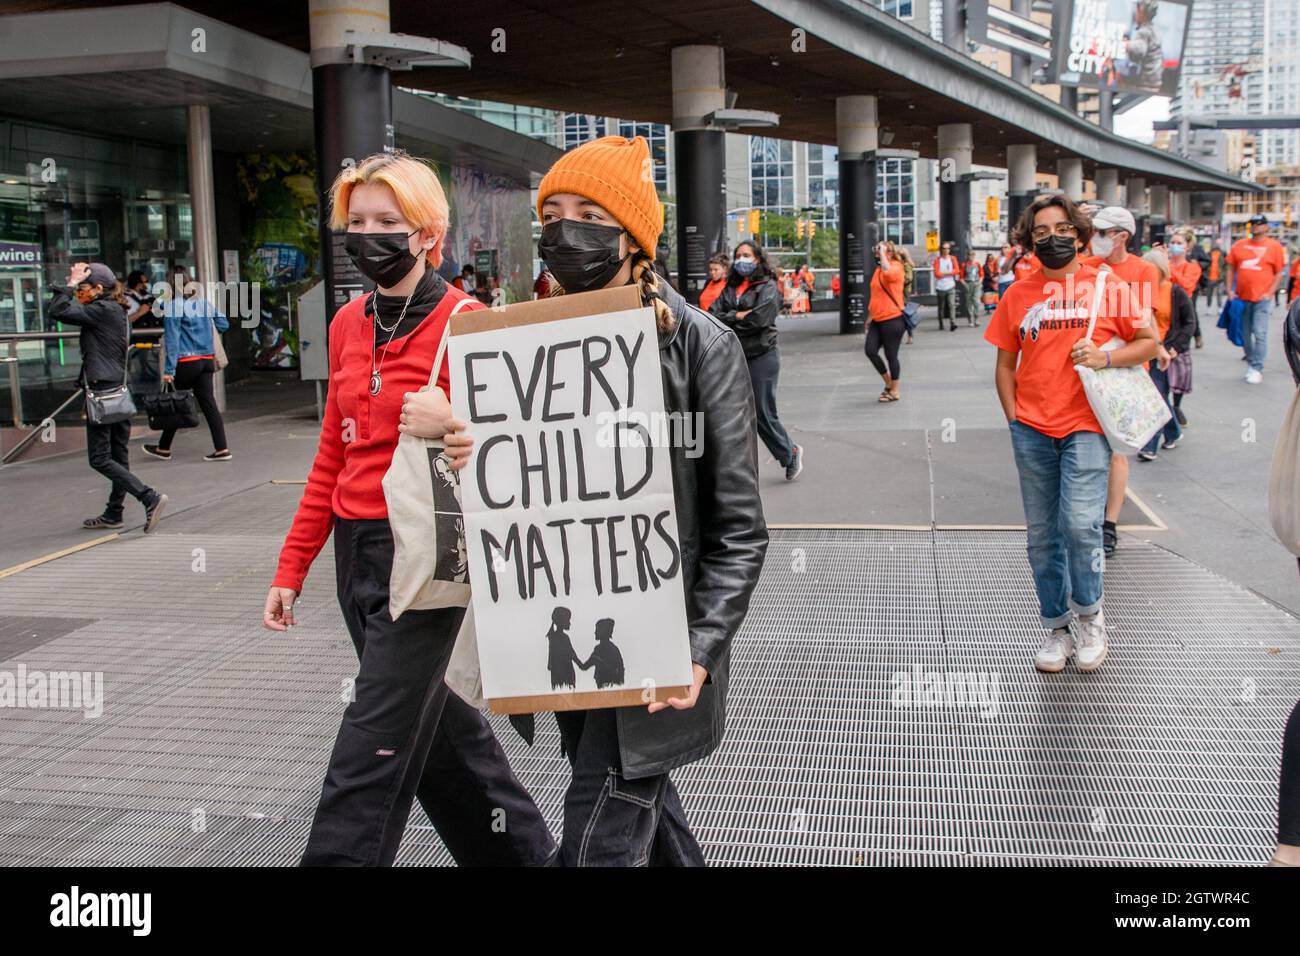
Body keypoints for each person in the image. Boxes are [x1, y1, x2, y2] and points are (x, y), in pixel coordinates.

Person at [403, 134, 768, 866]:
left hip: (657, 646)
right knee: (640, 812)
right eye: (554, 212)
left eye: (589, 212)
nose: (565, 230)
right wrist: (459, 444)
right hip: (564, 639)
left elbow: (739, 529)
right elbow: (515, 485)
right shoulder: (528, 342)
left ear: (632, 234)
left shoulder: (702, 346)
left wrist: (697, 652)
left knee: (599, 834)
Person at [261, 150, 555, 868]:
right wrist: (291, 565)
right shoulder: (346, 325)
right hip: (355, 559)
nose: (368, 234)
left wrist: (454, 421)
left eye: (387, 221)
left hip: (425, 558)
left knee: (369, 751)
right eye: (356, 221)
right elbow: (332, 454)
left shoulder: (470, 321)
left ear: (429, 233)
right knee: (447, 744)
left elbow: (511, 453)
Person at [985, 194, 1157, 674]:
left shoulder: (1108, 284)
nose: (1053, 238)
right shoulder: (1018, 293)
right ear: (1028, 240)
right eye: (1041, 232)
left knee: (1081, 527)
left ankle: (1091, 616)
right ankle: (1057, 628)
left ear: (1080, 238)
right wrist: (1014, 417)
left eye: (1063, 230)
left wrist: (1105, 356)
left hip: (1085, 426)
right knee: (1042, 536)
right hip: (1032, 429)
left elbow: (1149, 342)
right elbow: (1004, 362)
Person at [49, 262, 168, 533]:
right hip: (118, 389)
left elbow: (58, 309)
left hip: (103, 392)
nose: (79, 292)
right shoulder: (117, 310)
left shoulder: (102, 309)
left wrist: (68, 284)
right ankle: (114, 512)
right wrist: (75, 281)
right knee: (118, 454)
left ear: (99, 289)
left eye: (82, 288)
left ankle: (149, 496)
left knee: (100, 458)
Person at [1083, 205, 1159, 556]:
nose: (1094, 238)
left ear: (1122, 236)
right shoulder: (1086, 267)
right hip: (1086, 372)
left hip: (1120, 372)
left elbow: (1145, 327)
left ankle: (1108, 524)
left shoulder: (1142, 271)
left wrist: (1113, 354)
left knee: (1116, 451)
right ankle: (1086, 515)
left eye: (1101, 231)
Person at [711, 239, 805, 481]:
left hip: (762, 355)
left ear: (758, 259)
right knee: (732, 411)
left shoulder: (768, 286)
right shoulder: (731, 286)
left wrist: (731, 319)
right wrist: (738, 315)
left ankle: (789, 452)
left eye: (747, 255)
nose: (742, 259)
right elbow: (713, 315)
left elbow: (760, 320)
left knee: (762, 412)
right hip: (735, 354)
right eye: (738, 255)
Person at [142, 267, 231, 462]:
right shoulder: (203, 304)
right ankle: (221, 448)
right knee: (208, 404)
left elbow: (172, 341)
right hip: (207, 359)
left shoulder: (174, 306)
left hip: (186, 361)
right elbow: (224, 324)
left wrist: (169, 370)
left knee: (175, 402)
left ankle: (164, 448)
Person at [1136, 249, 1195, 461]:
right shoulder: (1139, 291)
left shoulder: (1175, 292)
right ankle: (1173, 430)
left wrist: (1176, 347)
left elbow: (1190, 322)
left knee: (1156, 397)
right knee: (1155, 397)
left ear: (1161, 270)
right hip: (1144, 350)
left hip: (1166, 352)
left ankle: (1149, 446)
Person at [1229, 215, 1288, 384]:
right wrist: (1230, 290)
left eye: (1258, 224)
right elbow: (1231, 268)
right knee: (1246, 334)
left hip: (1262, 298)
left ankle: (1257, 367)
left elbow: (1279, 272)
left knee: (1260, 332)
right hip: (1242, 297)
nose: (1255, 227)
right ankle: (1251, 362)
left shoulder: (1274, 246)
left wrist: (1270, 293)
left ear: (1266, 226)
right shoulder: (1240, 245)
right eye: (1252, 224)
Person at [865, 240, 907, 402]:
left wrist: (883, 254)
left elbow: (888, 273)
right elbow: (876, 294)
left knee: (891, 355)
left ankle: (894, 390)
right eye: (876, 249)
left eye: (880, 249)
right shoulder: (878, 270)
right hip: (877, 318)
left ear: (889, 252)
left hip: (893, 318)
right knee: (870, 350)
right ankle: (888, 382)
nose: (876, 251)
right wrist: (870, 316)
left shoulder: (896, 266)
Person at [933, 241, 959, 331]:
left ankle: (953, 323)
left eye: (948, 248)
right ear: (941, 250)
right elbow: (936, 274)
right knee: (941, 307)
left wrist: (944, 273)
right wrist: (948, 273)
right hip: (940, 287)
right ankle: (941, 323)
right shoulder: (938, 260)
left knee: (952, 305)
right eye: (944, 248)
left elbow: (956, 270)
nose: (946, 250)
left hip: (950, 285)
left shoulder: (952, 259)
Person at [961, 249, 983, 327]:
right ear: (967, 256)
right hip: (968, 283)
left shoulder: (977, 264)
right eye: (970, 254)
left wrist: (979, 282)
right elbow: (961, 277)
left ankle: (976, 318)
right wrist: (965, 284)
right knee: (969, 303)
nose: (971, 256)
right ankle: (970, 319)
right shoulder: (964, 265)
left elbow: (981, 275)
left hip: (976, 283)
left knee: (976, 302)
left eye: (973, 255)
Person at [899, 247, 917, 343]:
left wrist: (898, 281)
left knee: (904, 314)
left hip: (904, 292)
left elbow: (909, 278)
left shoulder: (906, 265)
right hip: (900, 292)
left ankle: (910, 335)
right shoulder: (900, 265)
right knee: (902, 315)